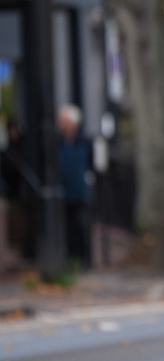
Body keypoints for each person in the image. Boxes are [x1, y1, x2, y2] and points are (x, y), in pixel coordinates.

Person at [56, 104, 94, 269]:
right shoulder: (58, 142)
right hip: (64, 190)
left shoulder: (84, 142)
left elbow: (91, 165)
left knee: (81, 225)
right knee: (67, 226)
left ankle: (85, 258)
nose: (61, 125)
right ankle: (70, 258)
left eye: (63, 121)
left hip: (80, 190)